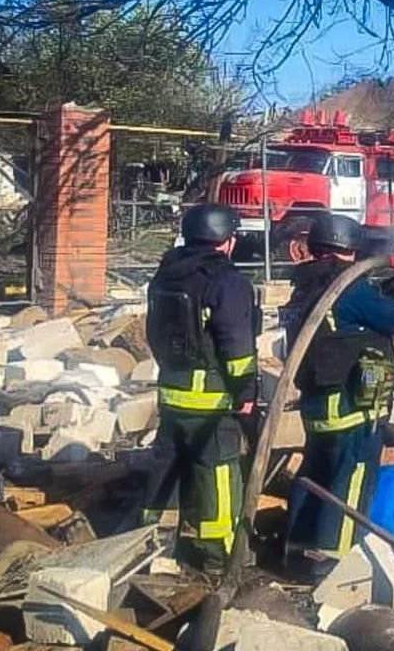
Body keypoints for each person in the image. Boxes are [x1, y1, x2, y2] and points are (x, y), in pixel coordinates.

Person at [283, 214, 394, 570]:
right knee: (350, 481)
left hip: (317, 406)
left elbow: (356, 318)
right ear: (348, 249)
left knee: (314, 475)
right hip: (352, 407)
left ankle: (296, 550)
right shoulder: (347, 288)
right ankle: (332, 563)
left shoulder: (305, 287)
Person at [142, 203, 259, 574]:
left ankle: (153, 546)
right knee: (218, 474)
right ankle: (220, 553)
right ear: (226, 240)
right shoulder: (227, 282)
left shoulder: (166, 275)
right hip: (211, 399)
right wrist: (246, 393)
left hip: (172, 393)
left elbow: (154, 333)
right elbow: (237, 346)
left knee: (168, 470)